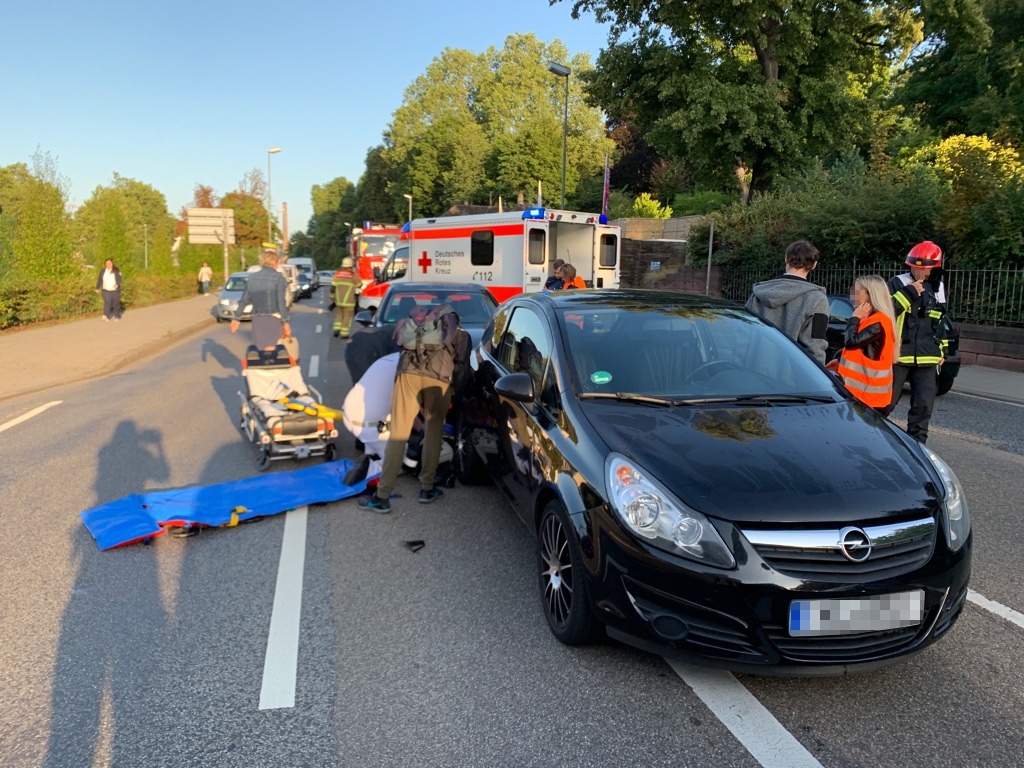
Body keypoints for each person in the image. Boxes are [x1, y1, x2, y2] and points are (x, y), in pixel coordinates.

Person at [359, 304, 459, 513]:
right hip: (439, 379)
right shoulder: (451, 324)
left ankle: (382, 496)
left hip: (408, 375)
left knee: (398, 434)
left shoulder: (409, 323)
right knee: (434, 431)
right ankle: (427, 488)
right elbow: (459, 361)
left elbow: (398, 345)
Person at [879, 241, 951, 443]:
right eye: (915, 267)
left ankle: (918, 448)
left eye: (924, 268)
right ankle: (873, 440)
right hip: (899, 354)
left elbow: (939, 320)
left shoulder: (938, 287)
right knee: (886, 403)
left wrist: (942, 351)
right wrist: (909, 293)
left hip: (928, 355)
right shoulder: (897, 283)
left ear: (934, 267)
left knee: (923, 406)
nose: (919, 271)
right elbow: (886, 313)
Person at [745, 240, 829, 365]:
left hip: (753, 367)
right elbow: (815, 347)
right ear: (814, 265)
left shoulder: (758, 294)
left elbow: (743, 334)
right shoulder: (817, 299)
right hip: (791, 377)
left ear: (786, 260)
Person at [833, 275, 896, 410]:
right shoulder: (870, 319)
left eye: (857, 292)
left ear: (870, 295)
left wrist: (854, 317)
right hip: (859, 394)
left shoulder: (878, 322)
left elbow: (850, 342)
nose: (853, 296)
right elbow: (859, 352)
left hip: (867, 397)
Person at [230, 249, 291, 350]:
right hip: (274, 319)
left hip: (257, 320)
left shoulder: (252, 278)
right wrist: (285, 322)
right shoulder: (278, 278)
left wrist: (236, 319)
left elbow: (244, 300)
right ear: (274, 262)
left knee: (260, 351)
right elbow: (281, 302)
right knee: (274, 351)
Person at [331, 257, 361, 339]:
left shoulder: (337, 274)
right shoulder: (352, 275)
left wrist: (332, 297)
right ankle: (344, 334)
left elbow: (332, 287)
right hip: (349, 301)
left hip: (339, 300)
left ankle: (336, 329)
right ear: (351, 266)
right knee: (347, 317)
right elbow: (359, 285)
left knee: (339, 315)